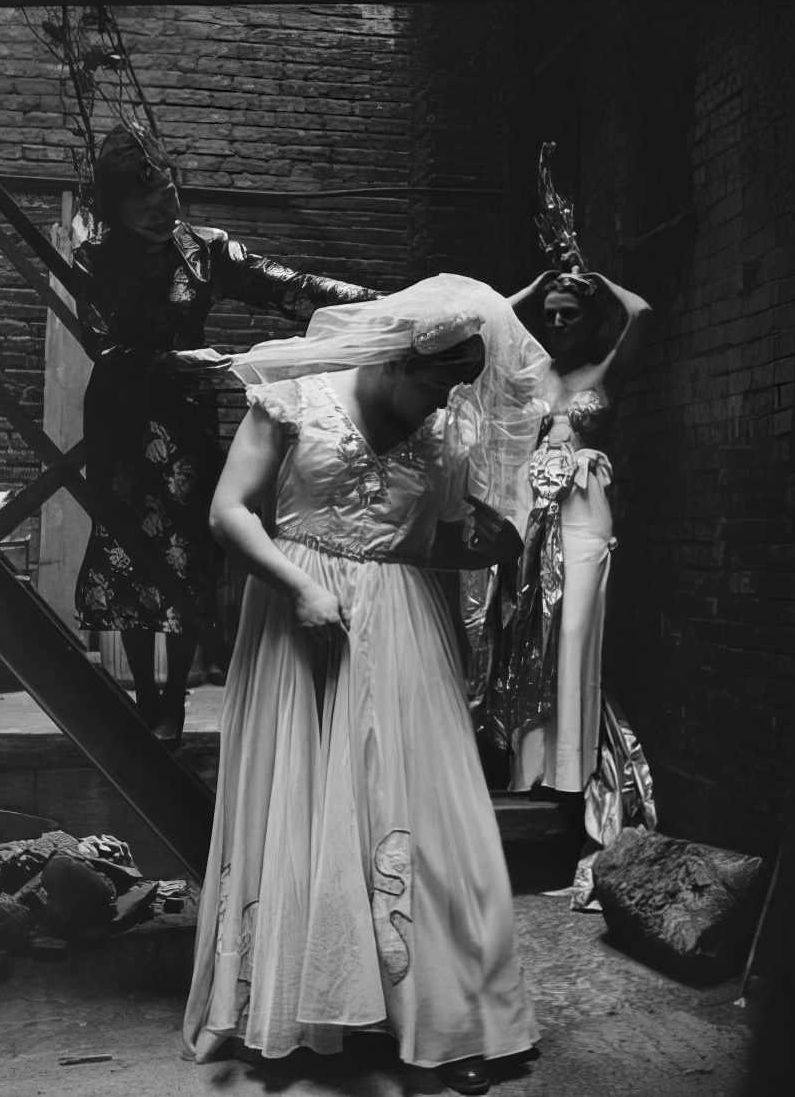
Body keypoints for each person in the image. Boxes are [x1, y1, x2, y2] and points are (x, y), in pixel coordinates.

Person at [182, 275, 547, 1095]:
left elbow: (434, 543)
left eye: (457, 387)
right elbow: (229, 512)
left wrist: (492, 546)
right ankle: (307, 1007)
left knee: (424, 808)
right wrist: (301, 588)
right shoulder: (293, 402)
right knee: (309, 803)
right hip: (296, 613)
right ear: (394, 357)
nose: (442, 401)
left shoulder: (444, 433)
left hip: (405, 625)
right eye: (435, 382)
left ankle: (450, 1016)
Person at [72, 123, 381, 743]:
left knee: (186, 556)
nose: (163, 210)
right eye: (145, 203)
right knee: (129, 549)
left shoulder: (208, 250)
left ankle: (174, 698)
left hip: (185, 423)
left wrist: (380, 303)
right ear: (116, 208)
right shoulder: (92, 260)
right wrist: (175, 360)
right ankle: (145, 689)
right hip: (123, 420)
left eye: (169, 194)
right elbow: (100, 348)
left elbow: (291, 287)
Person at [483, 269, 650, 793]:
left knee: (573, 629)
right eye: (550, 313)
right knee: (530, 632)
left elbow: (641, 311)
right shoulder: (529, 371)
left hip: (583, 509)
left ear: (590, 319)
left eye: (569, 313)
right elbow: (483, 325)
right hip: (531, 511)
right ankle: (530, 770)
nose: (556, 321)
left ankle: (572, 771)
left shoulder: (606, 371)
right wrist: (533, 288)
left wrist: (599, 280)